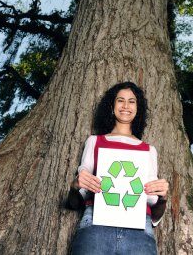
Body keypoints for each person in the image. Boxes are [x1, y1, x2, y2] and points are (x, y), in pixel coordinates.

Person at [67, 81, 169, 255]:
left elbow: (154, 209)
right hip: (95, 225)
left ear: (138, 108)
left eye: (132, 101)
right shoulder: (94, 142)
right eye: (120, 100)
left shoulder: (148, 150)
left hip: (139, 230)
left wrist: (163, 198)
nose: (126, 106)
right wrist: (75, 186)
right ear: (112, 105)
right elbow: (74, 202)